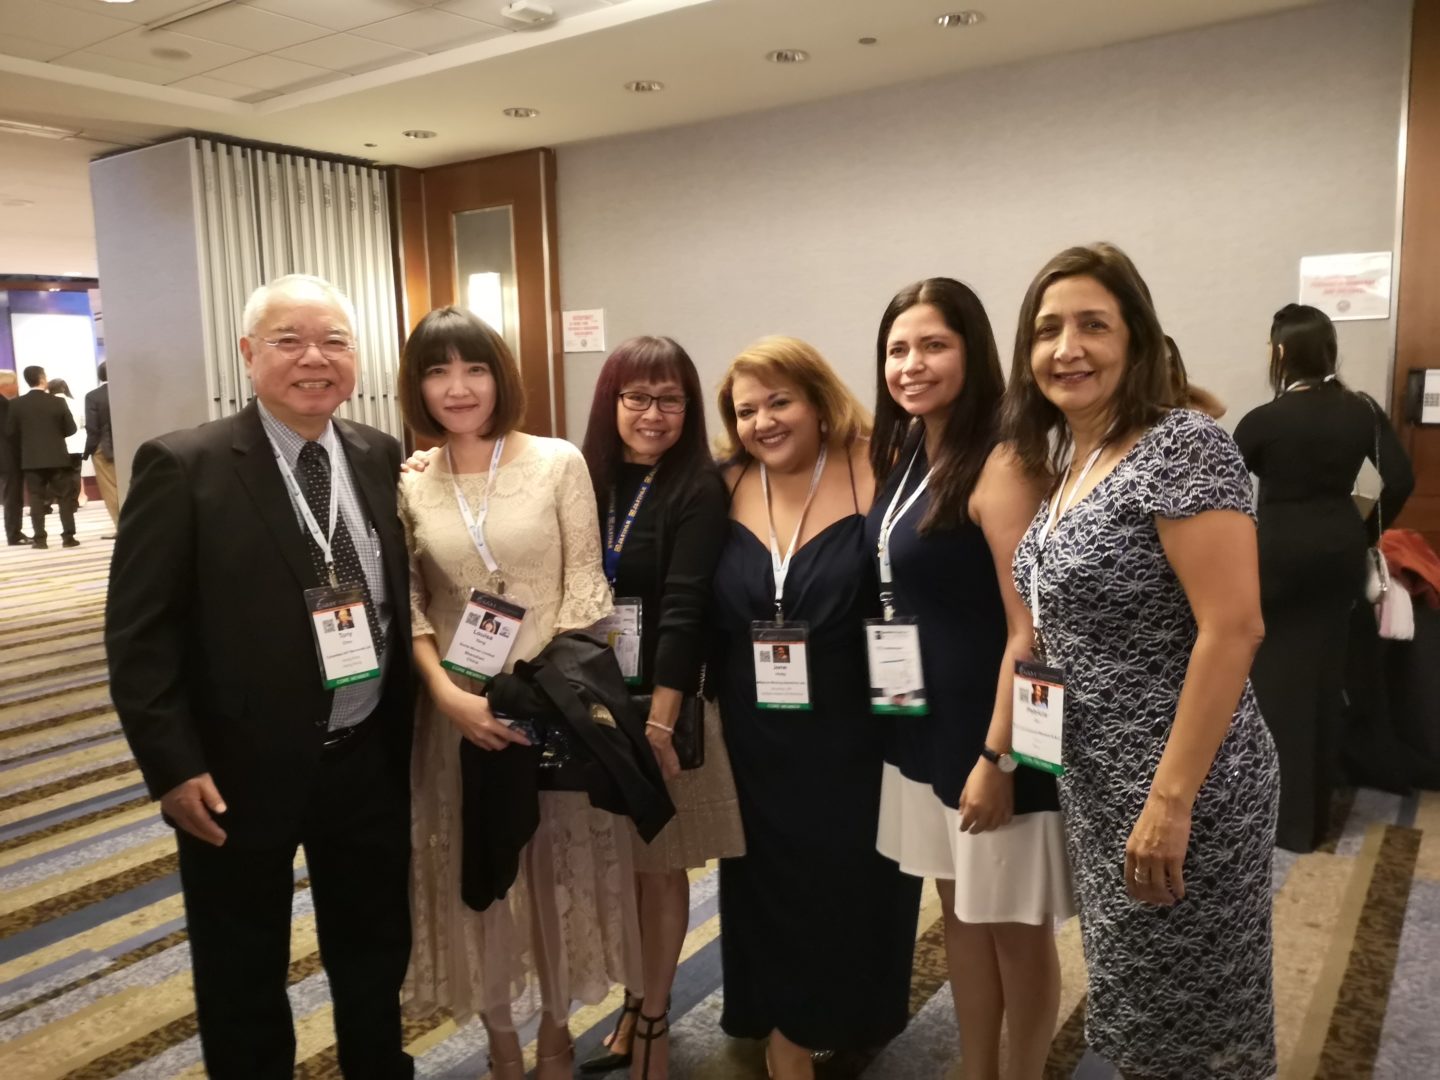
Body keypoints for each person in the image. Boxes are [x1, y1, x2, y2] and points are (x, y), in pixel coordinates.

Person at [105, 274, 415, 1080]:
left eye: (334, 341)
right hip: (236, 772)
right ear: (248, 354)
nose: (315, 358)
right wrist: (171, 766)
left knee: (376, 951)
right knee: (242, 971)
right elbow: (140, 639)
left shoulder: (380, 455)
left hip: (367, 758)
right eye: (289, 340)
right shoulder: (186, 465)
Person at [1005, 243, 1279, 1078]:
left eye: (1094, 324)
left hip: (1184, 782)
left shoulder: (1182, 445)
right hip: (1099, 779)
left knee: (1197, 1021)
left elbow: (1233, 629)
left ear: (1137, 340)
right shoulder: (1077, 463)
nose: (1067, 347)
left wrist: (1169, 804)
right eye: (1048, 329)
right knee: (1138, 1007)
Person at [396, 305, 628, 1080]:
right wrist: (449, 697)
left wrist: (538, 692)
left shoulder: (558, 461)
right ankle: (501, 1043)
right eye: (437, 370)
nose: (458, 388)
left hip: (549, 707)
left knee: (555, 872)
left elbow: (586, 590)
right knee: (481, 877)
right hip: (458, 716)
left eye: (473, 368)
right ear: (417, 386)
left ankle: (556, 1037)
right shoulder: (411, 482)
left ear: (501, 375)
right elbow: (414, 609)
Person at [866, 278, 1071, 1080]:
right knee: (958, 909)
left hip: (994, 734)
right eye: (896, 349)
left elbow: (1033, 628)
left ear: (973, 351)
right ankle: (977, 1065)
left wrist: (1000, 758)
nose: (912, 365)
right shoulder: (913, 450)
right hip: (922, 720)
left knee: (1017, 927)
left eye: (932, 345)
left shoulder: (1006, 460)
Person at [711, 336, 921, 1080]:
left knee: (851, 874)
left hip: (853, 725)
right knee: (765, 873)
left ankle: (842, 1016)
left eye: (779, 401)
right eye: (746, 410)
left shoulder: (880, 467)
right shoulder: (726, 480)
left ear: (817, 398)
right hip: (753, 725)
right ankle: (782, 1020)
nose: (763, 421)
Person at [577, 337, 745, 1080]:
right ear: (611, 402)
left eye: (670, 399)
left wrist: (661, 719)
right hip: (593, 704)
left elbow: (685, 607)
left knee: (660, 864)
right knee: (613, 866)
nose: (653, 413)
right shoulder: (584, 478)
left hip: (661, 707)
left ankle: (653, 1013)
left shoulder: (697, 486)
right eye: (637, 397)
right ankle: (632, 999)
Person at [1233, 304, 1413, 851]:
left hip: (1277, 559)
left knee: (1274, 685)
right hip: (1339, 554)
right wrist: (1353, 528)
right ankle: (1313, 817)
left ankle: (1279, 821)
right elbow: (1399, 479)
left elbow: (1222, 489)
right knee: (1323, 681)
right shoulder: (1362, 411)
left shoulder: (1264, 420)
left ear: (1282, 352)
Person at [6, 365, 78, 548]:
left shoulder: (16, 404)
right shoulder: (58, 402)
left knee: (36, 498)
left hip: (31, 459)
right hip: (57, 458)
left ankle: (40, 539)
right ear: (42, 378)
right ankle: (68, 538)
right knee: (64, 498)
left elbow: (10, 432)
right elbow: (71, 429)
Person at [85, 361, 120, 530]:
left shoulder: (93, 396)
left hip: (104, 449)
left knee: (110, 488)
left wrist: (88, 450)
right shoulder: (125, 391)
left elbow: (92, 427)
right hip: (129, 443)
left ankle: (121, 526)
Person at [47, 378, 87, 508]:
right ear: (65, 388)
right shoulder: (75, 403)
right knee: (75, 474)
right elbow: (82, 423)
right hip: (76, 444)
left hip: (56, 446)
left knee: (54, 475)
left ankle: (52, 502)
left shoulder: (48, 403)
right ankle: (73, 502)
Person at [0, 380, 28, 545]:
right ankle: (14, 534)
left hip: (5, 458)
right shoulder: (3, 404)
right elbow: (9, 431)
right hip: (8, 458)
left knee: (12, 496)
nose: (17, 387)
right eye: (15, 383)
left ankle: (15, 532)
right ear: (4, 385)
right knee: (13, 497)